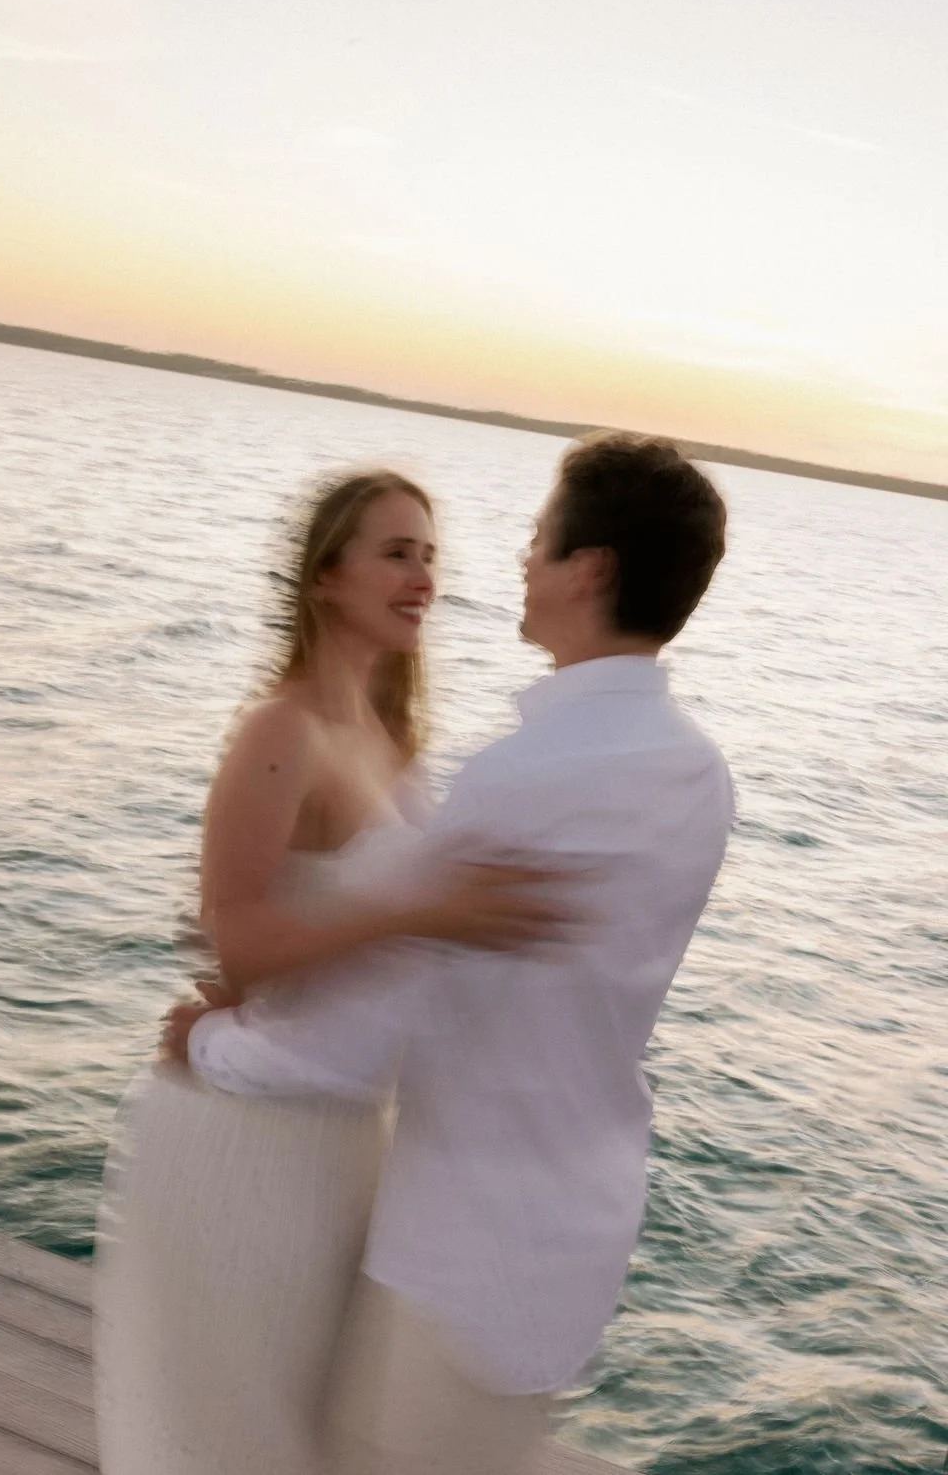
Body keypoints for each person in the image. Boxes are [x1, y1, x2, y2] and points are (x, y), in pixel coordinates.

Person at [176, 432, 736, 1475]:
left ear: (589, 568)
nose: (520, 559)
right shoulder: (699, 773)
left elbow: (369, 1030)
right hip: (577, 1229)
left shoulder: (521, 779)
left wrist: (211, 1043)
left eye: (539, 537)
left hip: (459, 1254)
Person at [93, 469, 557, 1475]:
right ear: (325, 577)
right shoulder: (283, 729)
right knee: (230, 1443)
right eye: (395, 553)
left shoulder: (393, 737)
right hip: (249, 1144)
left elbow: (323, 934)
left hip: (345, 1140)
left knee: (301, 1435)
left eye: (429, 556)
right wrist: (423, 913)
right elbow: (234, 936)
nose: (422, 577)